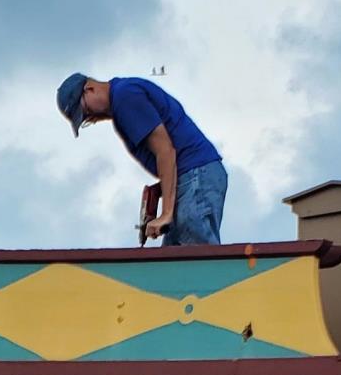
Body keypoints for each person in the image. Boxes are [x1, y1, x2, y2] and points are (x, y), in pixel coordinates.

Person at [56, 72, 228, 245]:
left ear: (90, 89)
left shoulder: (125, 97)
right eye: (85, 119)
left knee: (196, 258)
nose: (90, 118)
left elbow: (166, 151)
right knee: (173, 261)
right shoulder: (123, 99)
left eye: (85, 111)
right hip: (193, 175)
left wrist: (166, 213)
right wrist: (160, 190)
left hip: (197, 175)